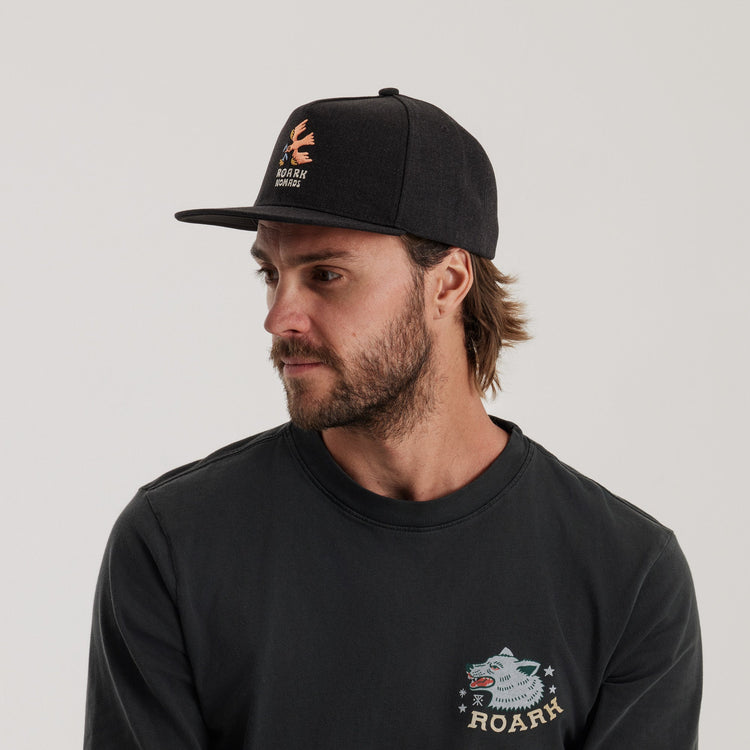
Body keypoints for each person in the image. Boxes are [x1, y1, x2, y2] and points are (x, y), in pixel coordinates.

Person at [84, 88, 702, 749]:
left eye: (325, 275)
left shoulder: (625, 573)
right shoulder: (176, 545)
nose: (279, 317)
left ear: (448, 283)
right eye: (271, 274)